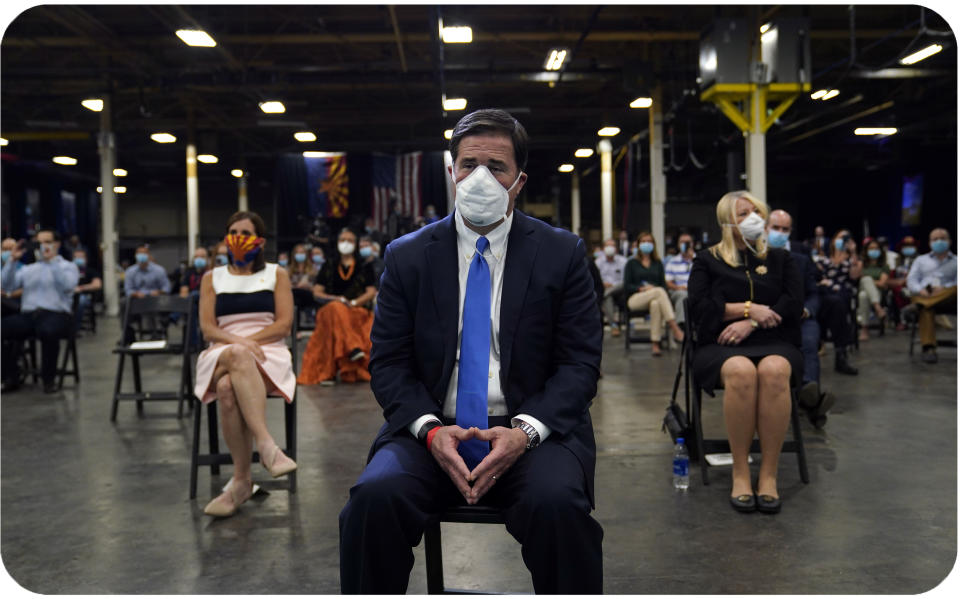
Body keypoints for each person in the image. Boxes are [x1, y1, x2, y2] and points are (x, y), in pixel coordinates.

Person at [339, 109, 603, 593]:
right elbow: (390, 363)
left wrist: (525, 432)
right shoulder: (407, 255)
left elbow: (580, 364)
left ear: (519, 181)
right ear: (451, 171)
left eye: (496, 166)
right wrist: (430, 430)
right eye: (468, 164)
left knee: (559, 509)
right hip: (433, 428)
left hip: (530, 432)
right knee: (373, 500)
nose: (479, 177)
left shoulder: (562, 253)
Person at [687, 191, 802, 514]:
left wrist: (750, 322)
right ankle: (740, 472)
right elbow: (699, 308)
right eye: (743, 213)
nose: (753, 218)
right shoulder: (707, 259)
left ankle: (768, 475)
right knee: (741, 371)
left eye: (756, 211)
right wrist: (749, 307)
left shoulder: (780, 258)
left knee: (775, 370)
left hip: (774, 340)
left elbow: (793, 304)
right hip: (720, 344)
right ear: (727, 222)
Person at [193, 211, 297, 517]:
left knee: (227, 388)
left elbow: (283, 324)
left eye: (246, 232)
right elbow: (209, 328)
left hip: (268, 351)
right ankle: (267, 447)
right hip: (222, 350)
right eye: (233, 231)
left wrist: (251, 342)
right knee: (237, 357)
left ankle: (241, 481)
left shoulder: (276, 274)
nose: (238, 237)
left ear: (259, 241)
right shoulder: (211, 278)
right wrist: (239, 343)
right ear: (226, 238)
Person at [767, 210, 834, 427]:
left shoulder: (801, 260)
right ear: (766, 228)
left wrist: (807, 310)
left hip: (801, 317)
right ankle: (812, 404)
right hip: (771, 317)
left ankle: (808, 388)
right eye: (775, 228)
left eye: (785, 229)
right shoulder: (756, 257)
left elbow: (814, 292)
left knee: (809, 341)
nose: (780, 233)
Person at [1, 229, 79, 393]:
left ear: (56, 244)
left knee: (48, 330)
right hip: (29, 315)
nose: (43, 246)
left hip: (57, 314)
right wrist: (12, 262)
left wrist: (52, 262)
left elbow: (67, 286)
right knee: (4, 328)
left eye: (47, 242)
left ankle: (48, 380)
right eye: (39, 242)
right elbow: (7, 285)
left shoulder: (68, 267)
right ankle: (9, 377)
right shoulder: (29, 269)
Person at [297, 228, 377, 386]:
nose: (346, 243)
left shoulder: (364, 266)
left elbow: (370, 292)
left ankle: (349, 353)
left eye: (350, 240)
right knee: (335, 308)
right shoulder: (329, 265)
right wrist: (336, 299)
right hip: (330, 308)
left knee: (338, 311)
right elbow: (317, 292)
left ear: (355, 244)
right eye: (342, 240)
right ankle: (352, 348)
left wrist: (352, 303)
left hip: (356, 310)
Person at [623, 231, 684, 356]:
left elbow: (663, 284)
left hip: (655, 297)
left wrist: (653, 289)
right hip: (635, 298)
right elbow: (627, 286)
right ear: (638, 244)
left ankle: (655, 344)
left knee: (656, 303)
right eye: (643, 241)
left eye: (649, 241)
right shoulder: (631, 263)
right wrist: (643, 289)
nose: (646, 244)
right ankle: (675, 327)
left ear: (654, 245)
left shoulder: (658, 264)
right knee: (659, 292)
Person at [906, 228, 957, 364]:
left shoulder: (957, 261)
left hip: (949, 298)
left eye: (942, 238)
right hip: (924, 293)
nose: (939, 241)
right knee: (926, 308)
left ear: (950, 241)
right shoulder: (920, 260)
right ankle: (929, 348)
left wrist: (943, 289)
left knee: (956, 288)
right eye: (935, 239)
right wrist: (921, 290)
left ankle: (920, 304)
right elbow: (911, 280)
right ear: (929, 243)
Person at [813, 230, 860, 375]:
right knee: (830, 303)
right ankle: (840, 354)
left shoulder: (853, 259)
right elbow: (816, 276)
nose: (843, 241)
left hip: (843, 292)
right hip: (825, 291)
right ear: (833, 240)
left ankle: (823, 342)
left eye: (846, 238)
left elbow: (854, 277)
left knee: (838, 302)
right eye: (840, 238)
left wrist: (852, 253)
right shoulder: (822, 257)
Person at [857, 239, 889, 341]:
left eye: (876, 248)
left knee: (863, 295)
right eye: (871, 248)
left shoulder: (884, 266)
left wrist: (869, 280)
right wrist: (872, 281)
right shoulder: (861, 264)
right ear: (866, 251)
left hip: (877, 292)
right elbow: (858, 278)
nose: (873, 250)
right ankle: (878, 308)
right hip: (862, 288)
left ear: (880, 250)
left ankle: (864, 329)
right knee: (866, 280)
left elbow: (882, 283)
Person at [595, 238, 628, 336]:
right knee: (607, 298)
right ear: (603, 248)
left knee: (620, 286)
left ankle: (604, 295)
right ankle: (613, 325)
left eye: (612, 245)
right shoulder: (598, 262)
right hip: (605, 289)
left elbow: (626, 280)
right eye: (607, 246)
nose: (610, 248)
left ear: (616, 248)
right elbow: (596, 280)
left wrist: (613, 285)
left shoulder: (623, 261)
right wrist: (603, 284)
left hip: (620, 290)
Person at [665, 231, 695, 326]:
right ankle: (682, 326)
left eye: (687, 242)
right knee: (683, 295)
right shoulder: (672, 261)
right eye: (682, 242)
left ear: (692, 244)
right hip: (678, 291)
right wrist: (679, 288)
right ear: (678, 245)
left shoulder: (699, 260)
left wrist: (693, 259)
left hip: (696, 291)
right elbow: (668, 282)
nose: (685, 245)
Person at [888, 235, 919, 329]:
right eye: (906, 245)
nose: (908, 248)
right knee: (894, 292)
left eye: (911, 245)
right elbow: (892, 277)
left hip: (916, 286)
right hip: (899, 286)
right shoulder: (897, 260)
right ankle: (900, 320)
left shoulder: (920, 260)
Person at [72, 247, 102, 332]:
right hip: (69, 296)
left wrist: (81, 288)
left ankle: (75, 328)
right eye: (76, 257)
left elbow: (97, 285)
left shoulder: (91, 271)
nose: (79, 259)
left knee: (80, 301)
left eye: (81, 257)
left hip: (85, 296)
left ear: (86, 259)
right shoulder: (68, 272)